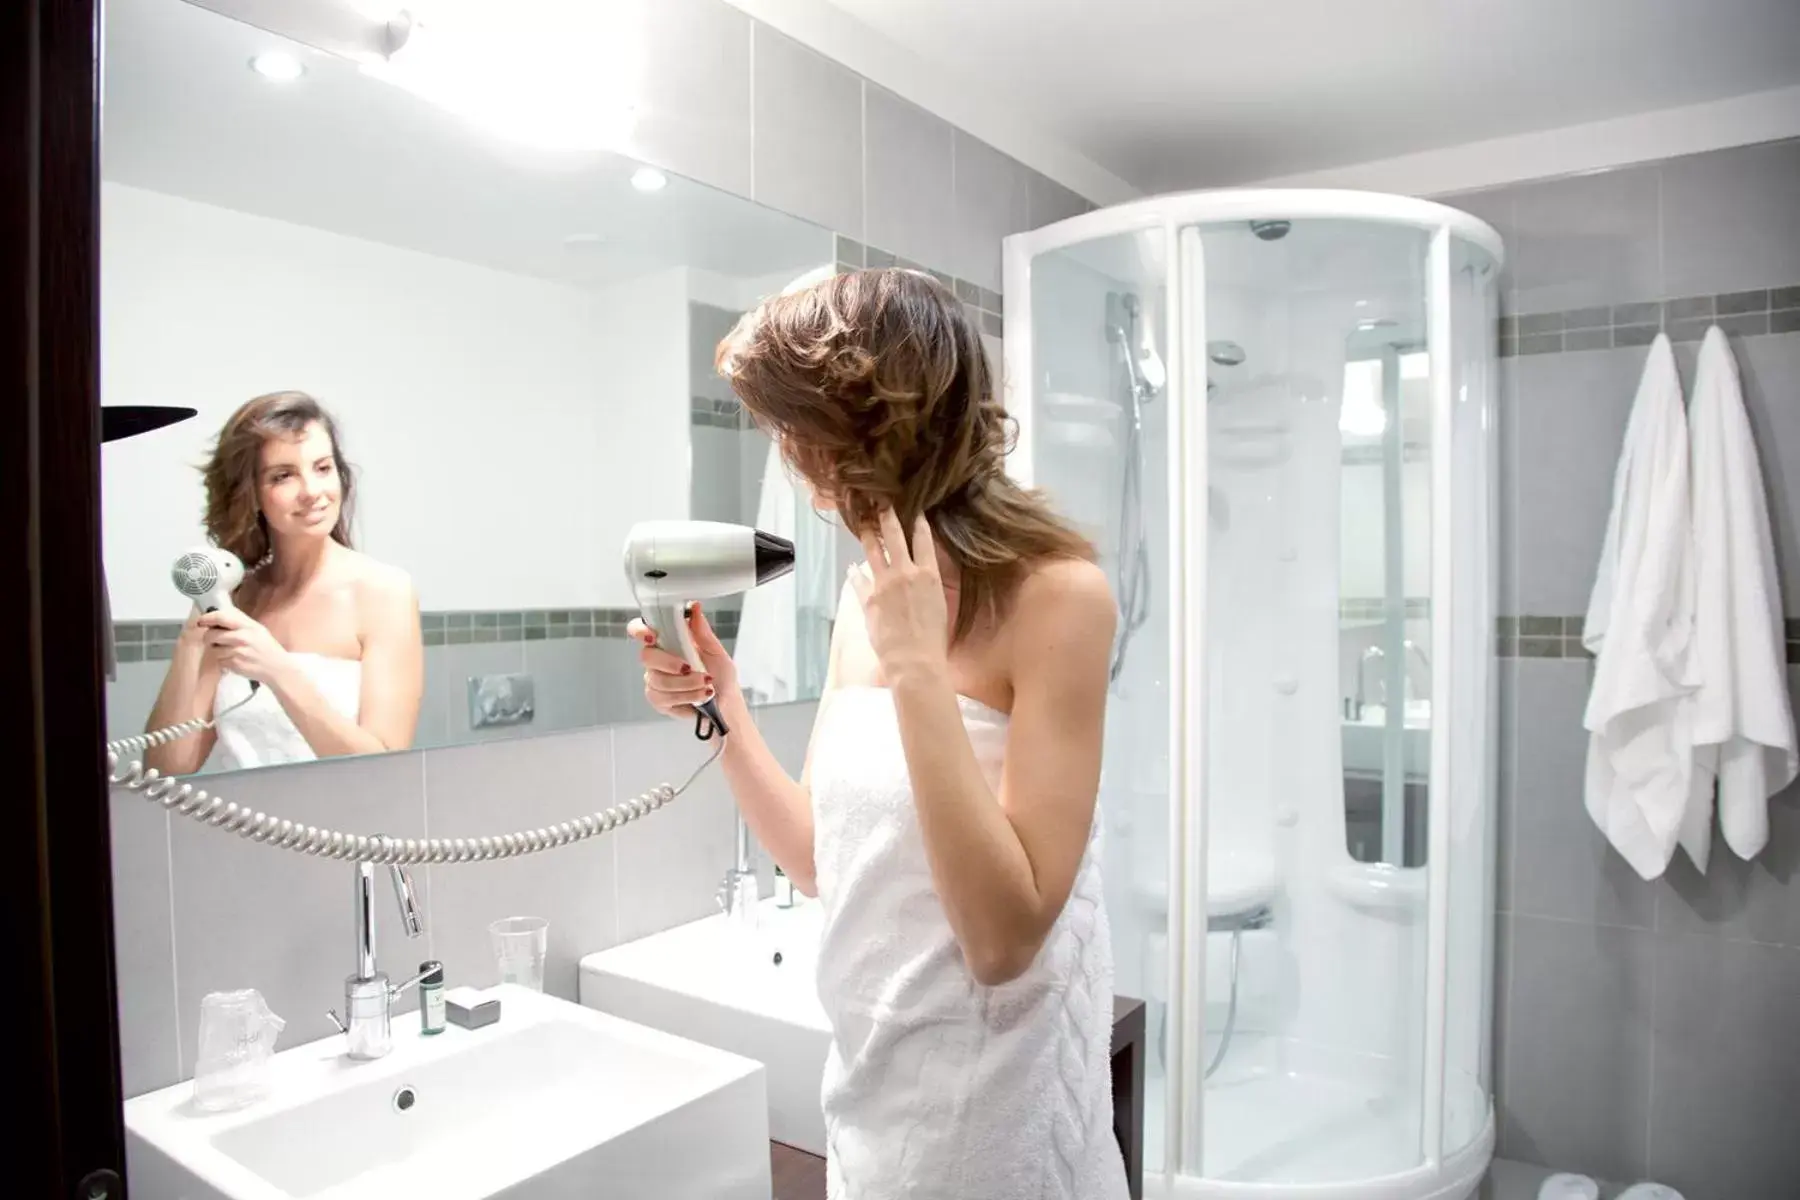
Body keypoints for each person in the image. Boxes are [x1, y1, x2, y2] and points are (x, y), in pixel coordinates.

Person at [632, 269, 1127, 1199]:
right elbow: (824, 861)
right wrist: (723, 709)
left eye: (797, 428)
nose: (791, 458)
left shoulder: (1058, 596)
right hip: (872, 1116)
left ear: (872, 430)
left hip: (998, 1139)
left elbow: (1003, 941)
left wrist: (918, 670)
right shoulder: (868, 596)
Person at [144, 391, 422, 774]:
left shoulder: (384, 592)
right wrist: (192, 637)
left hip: (346, 828)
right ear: (252, 493)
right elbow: (166, 768)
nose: (312, 491)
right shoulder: (235, 598)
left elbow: (383, 770)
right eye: (283, 475)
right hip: (239, 827)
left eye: (322, 468)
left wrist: (277, 670)